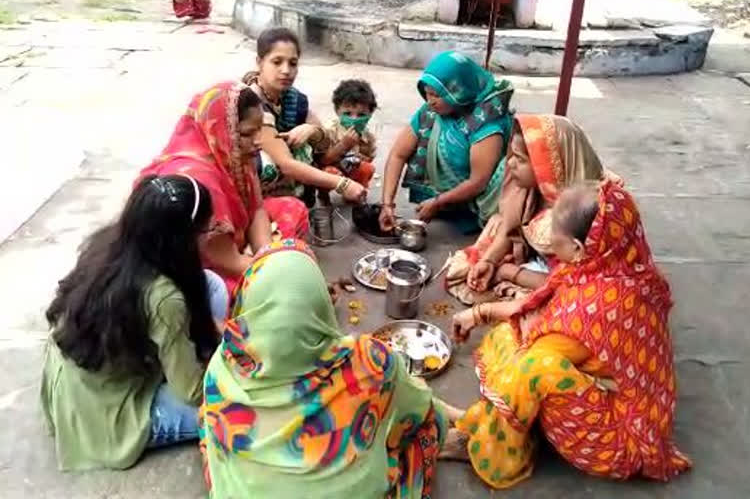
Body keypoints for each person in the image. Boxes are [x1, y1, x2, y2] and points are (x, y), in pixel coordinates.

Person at [445, 182, 692, 488]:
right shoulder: (614, 262)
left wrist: (497, 315)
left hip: (618, 438)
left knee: (533, 368)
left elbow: (538, 341)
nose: (550, 246)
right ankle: (499, 418)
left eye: (556, 241)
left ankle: (490, 446)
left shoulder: (598, 306)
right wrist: (479, 313)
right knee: (505, 336)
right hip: (613, 391)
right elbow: (541, 305)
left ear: (577, 247)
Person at [199, 239, 459, 498]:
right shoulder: (370, 362)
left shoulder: (221, 369)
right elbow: (421, 408)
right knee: (424, 417)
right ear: (321, 303)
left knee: (206, 419)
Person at [41, 175, 226, 471]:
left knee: (212, 284)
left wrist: (213, 328)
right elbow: (191, 391)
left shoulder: (115, 241)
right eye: (206, 229)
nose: (210, 235)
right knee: (231, 406)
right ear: (182, 239)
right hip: (104, 406)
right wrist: (231, 359)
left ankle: (176, 356)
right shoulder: (165, 298)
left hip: (89, 369)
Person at [137, 80, 308, 295]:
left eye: (259, 130)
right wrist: (281, 276)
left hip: (231, 245)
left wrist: (266, 255)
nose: (257, 141)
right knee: (244, 295)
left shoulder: (235, 155)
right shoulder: (198, 179)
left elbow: (257, 209)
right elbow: (230, 261)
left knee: (293, 210)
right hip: (202, 265)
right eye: (247, 133)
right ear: (219, 130)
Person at [444, 113, 612, 305]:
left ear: (550, 168)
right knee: (497, 223)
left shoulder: (580, 214)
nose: (510, 163)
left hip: (569, 279)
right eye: (512, 155)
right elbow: (510, 228)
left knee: (543, 305)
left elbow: (569, 282)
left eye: (521, 159)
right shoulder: (531, 190)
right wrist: (489, 261)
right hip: (539, 261)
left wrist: (510, 273)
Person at [378, 51, 514, 235]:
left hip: (478, 199)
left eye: (436, 95)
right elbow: (398, 154)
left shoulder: (486, 122)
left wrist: (439, 202)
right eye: (427, 94)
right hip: (446, 196)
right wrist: (387, 204)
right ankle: (445, 203)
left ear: (459, 92)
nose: (430, 101)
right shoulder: (430, 113)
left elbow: (479, 181)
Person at [242, 28, 367, 205]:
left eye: (293, 63)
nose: (286, 70)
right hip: (247, 182)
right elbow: (285, 164)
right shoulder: (251, 101)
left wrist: (311, 130)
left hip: (289, 176)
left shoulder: (293, 98)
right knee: (271, 163)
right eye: (277, 62)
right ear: (259, 62)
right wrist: (343, 184)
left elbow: (325, 144)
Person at [317, 79, 379, 204]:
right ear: (337, 111)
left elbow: (368, 158)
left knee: (367, 169)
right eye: (348, 113)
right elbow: (322, 160)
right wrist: (343, 146)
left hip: (351, 168)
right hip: (331, 169)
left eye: (361, 114)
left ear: (370, 113)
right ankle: (323, 194)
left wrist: (363, 156)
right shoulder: (330, 130)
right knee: (329, 172)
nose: (354, 119)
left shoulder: (367, 136)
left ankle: (355, 193)